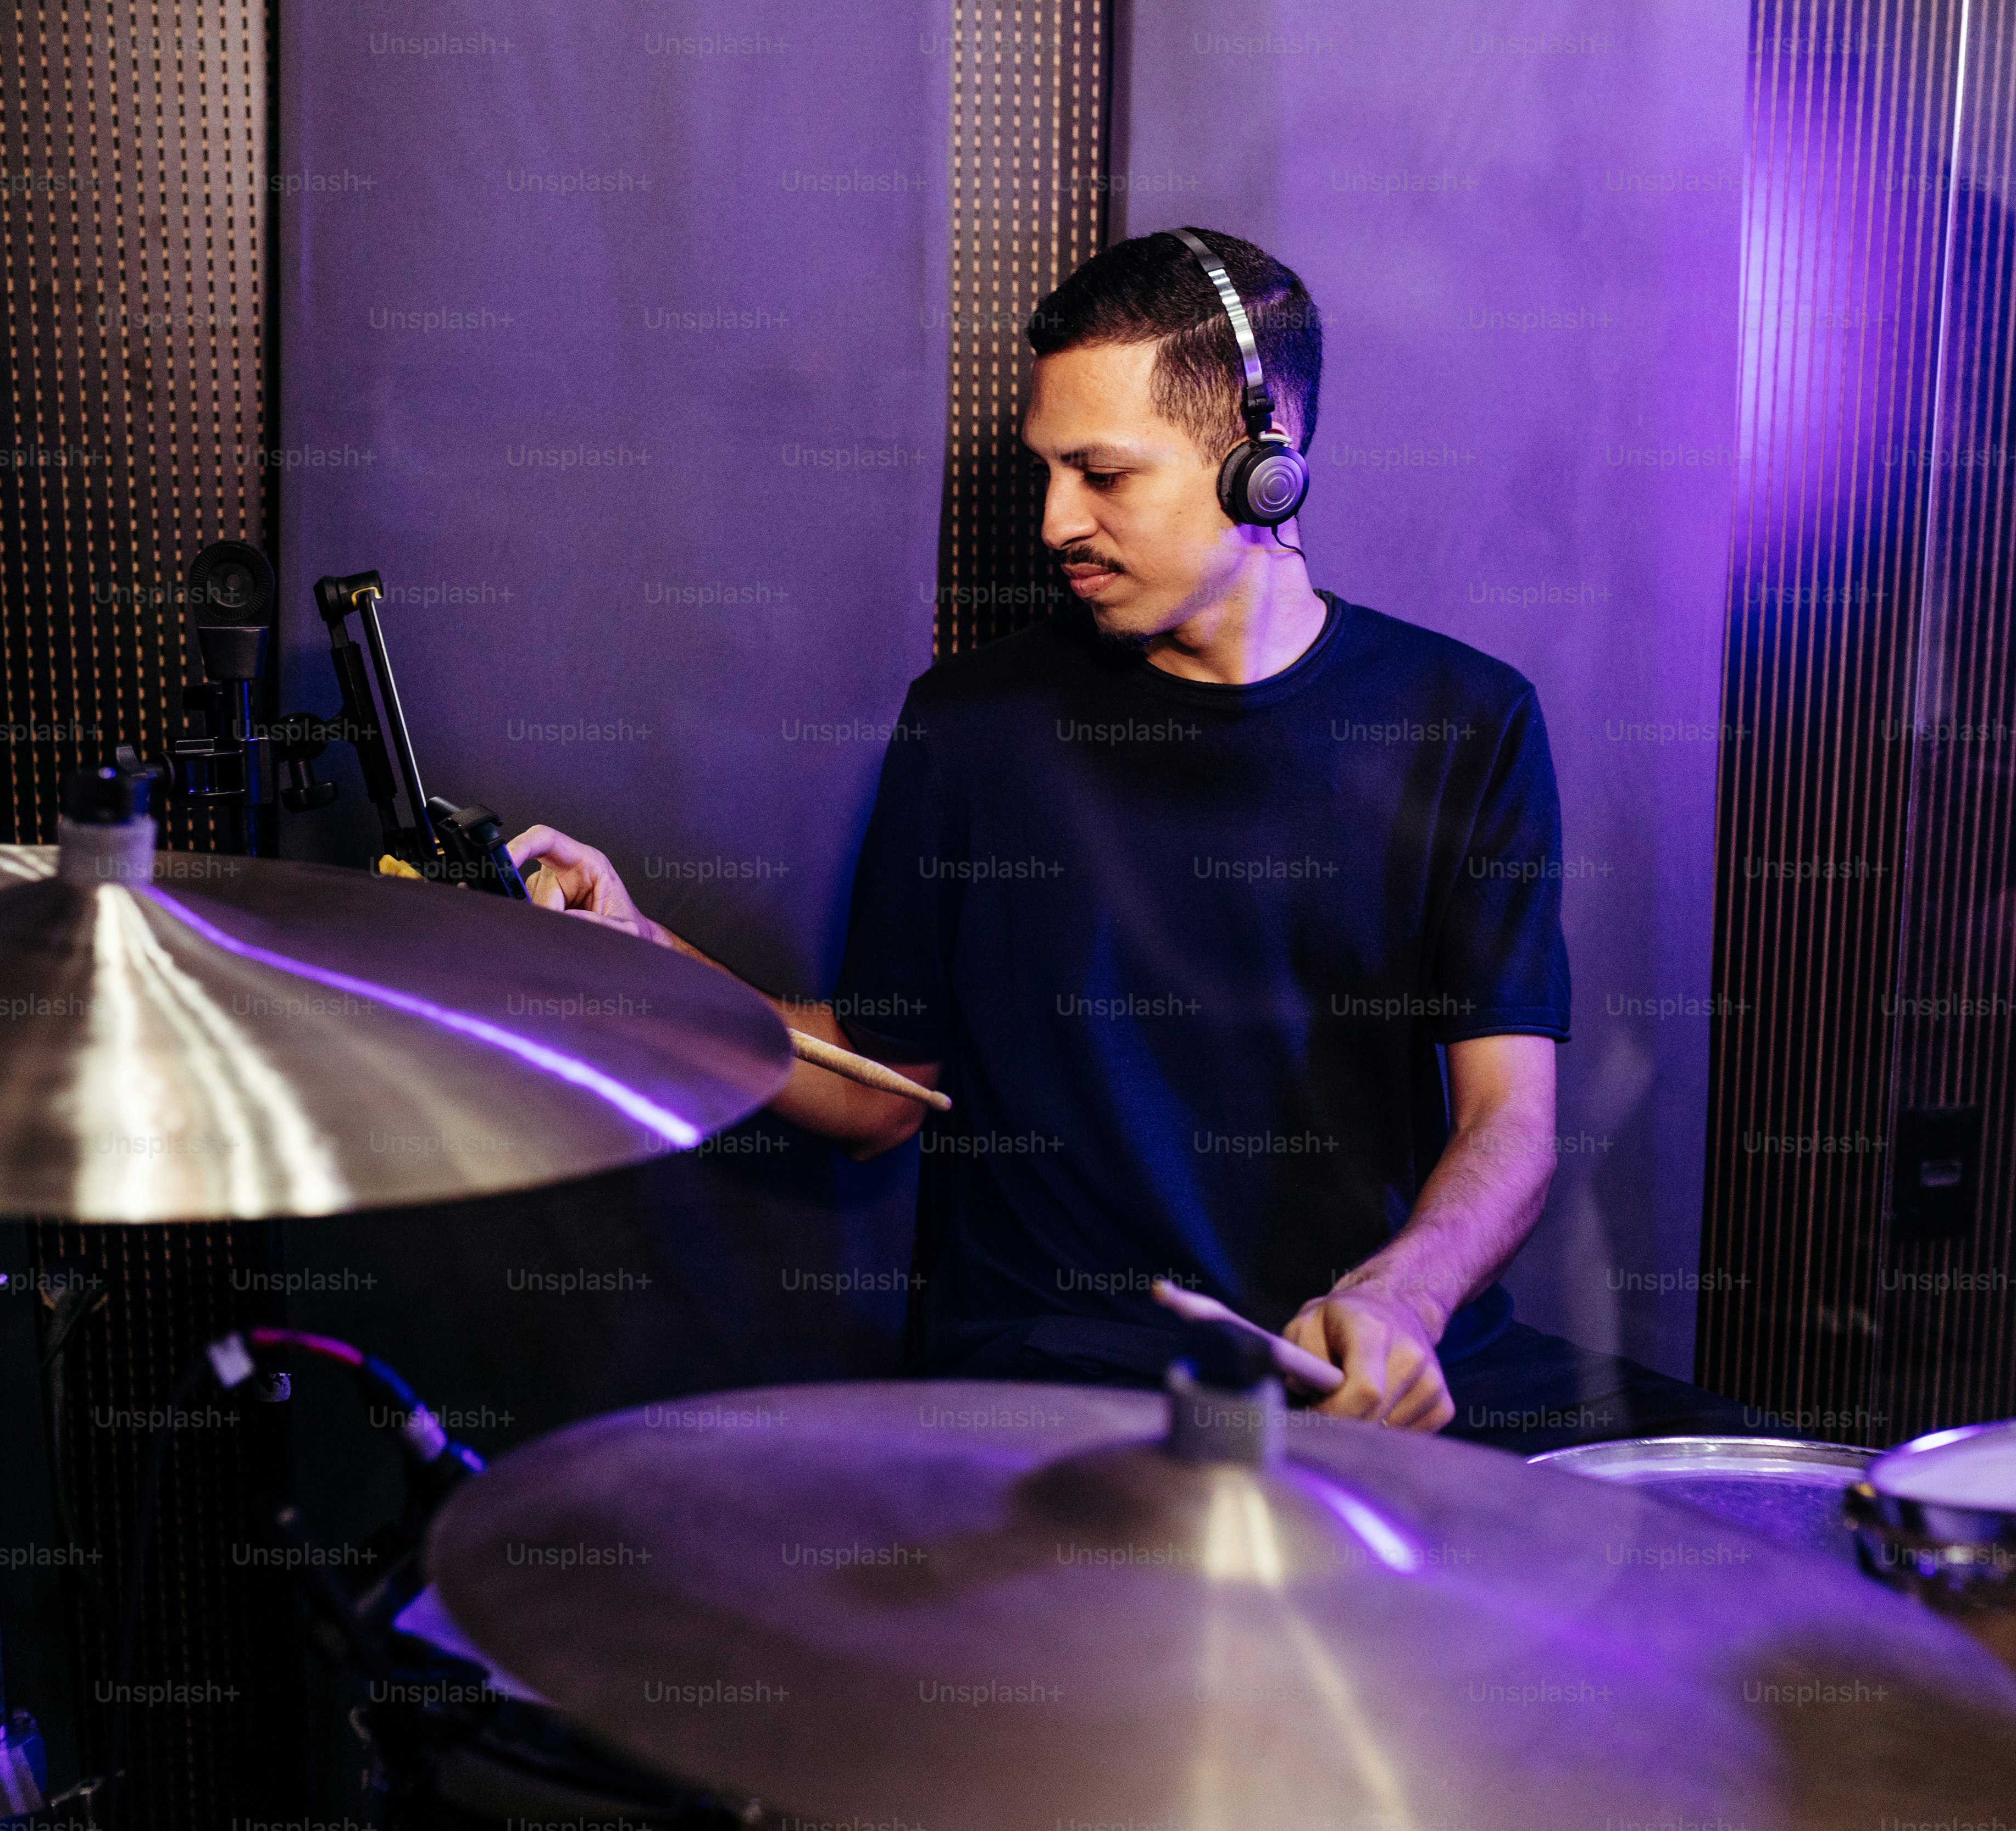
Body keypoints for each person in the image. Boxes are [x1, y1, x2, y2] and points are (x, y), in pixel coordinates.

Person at [513, 227, 1749, 1454]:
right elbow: (877, 1093)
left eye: (1101, 476)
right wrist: (635, 951)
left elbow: (1510, 1126)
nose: (1054, 521)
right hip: (1069, 1366)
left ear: (1264, 469)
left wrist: (1404, 1296)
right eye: (1045, 471)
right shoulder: (975, 727)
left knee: (1764, 1510)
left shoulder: (1462, 720)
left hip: (1372, 1356)